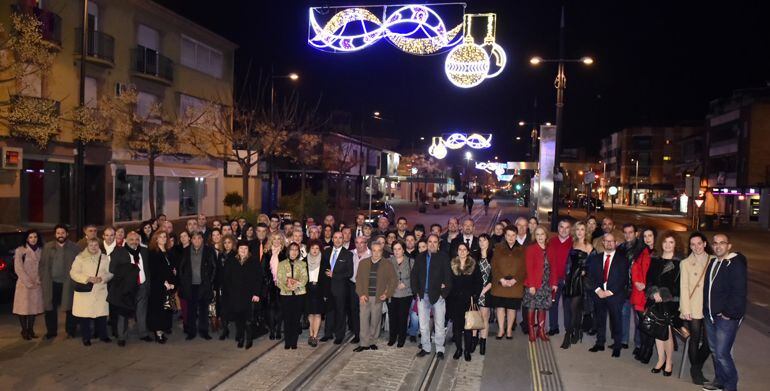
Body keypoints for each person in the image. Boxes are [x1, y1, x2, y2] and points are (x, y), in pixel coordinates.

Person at [702, 233, 746, 391]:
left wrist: (728, 313)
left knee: (722, 353)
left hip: (726, 318)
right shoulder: (713, 262)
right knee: (715, 351)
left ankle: (730, 386)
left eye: (722, 243)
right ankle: (719, 381)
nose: (718, 246)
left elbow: (739, 292)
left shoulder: (735, 264)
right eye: (715, 243)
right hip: (711, 315)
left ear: (729, 246)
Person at [646, 231, 682, 376]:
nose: (667, 245)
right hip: (655, 301)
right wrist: (653, 292)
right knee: (657, 331)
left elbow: (679, 285)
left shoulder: (679, 262)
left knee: (667, 333)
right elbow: (649, 279)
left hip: (670, 302)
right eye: (665, 242)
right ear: (661, 243)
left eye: (671, 242)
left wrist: (664, 294)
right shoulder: (655, 259)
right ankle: (660, 359)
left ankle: (669, 361)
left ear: (676, 244)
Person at [588, 233, 629, 357]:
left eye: (612, 241)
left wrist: (609, 292)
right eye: (607, 241)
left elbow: (623, 279)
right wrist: (598, 290)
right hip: (599, 294)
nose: (609, 243)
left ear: (616, 243)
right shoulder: (596, 259)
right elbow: (590, 277)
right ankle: (600, 343)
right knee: (600, 320)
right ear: (603, 243)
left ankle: (617, 346)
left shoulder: (623, 260)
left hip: (615, 295)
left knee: (616, 321)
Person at [679, 232, 712, 385]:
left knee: (709, 342)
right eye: (693, 244)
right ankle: (696, 371)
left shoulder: (714, 260)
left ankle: (695, 366)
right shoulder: (685, 263)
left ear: (705, 244)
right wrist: (685, 309)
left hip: (711, 307)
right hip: (693, 306)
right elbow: (684, 287)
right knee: (694, 339)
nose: (696, 247)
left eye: (699, 243)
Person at [412, 234, 452, 359]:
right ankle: (426, 347)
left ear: (438, 244)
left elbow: (448, 277)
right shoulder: (420, 257)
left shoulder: (443, 257)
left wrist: (443, 295)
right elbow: (414, 276)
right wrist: (416, 293)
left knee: (439, 325)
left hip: (438, 297)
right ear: (427, 243)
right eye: (430, 242)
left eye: (435, 242)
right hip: (423, 296)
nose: (432, 244)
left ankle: (440, 349)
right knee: (423, 325)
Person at [108, 231, 151, 346]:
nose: (134, 242)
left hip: (142, 286)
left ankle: (143, 333)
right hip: (126, 288)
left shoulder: (144, 251)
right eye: (131, 239)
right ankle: (122, 337)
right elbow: (112, 269)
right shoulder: (118, 252)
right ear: (126, 240)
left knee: (141, 312)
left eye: (137, 239)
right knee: (123, 313)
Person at [354, 242, 397, 352]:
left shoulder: (387, 264)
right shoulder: (363, 263)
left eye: (379, 250)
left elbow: (393, 280)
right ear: (371, 251)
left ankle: (373, 341)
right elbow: (358, 279)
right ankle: (364, 343)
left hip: (378, 297)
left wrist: (387, 294)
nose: (376, 253)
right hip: (365, 296)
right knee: (363, 320)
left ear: (382, 252)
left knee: (375, 320)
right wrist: (361, 294)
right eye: (374, 250)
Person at [70, 238, 113, 346]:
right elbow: (73, 273)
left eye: (96, 245)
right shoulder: (80, 258)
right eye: (91, 245)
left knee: (101, 315)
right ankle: (86, 337)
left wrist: (102, 278)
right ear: (87, 246)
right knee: (85, 316)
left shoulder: (104, 258)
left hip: (100, 290)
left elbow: (110, 272)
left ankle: (103, 335)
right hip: (86, 291)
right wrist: (87, 278)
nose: (94, 247)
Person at [40, 225, 80, 339]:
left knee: (70, 307)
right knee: (50, 307)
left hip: (69, 282)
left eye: (63, 233)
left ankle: (70, 330)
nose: (60, 235)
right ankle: (51, 331)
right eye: (58, 233)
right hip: (51, 282)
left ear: (67, 234)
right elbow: (42, 265)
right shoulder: (47, 247)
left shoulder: (75, 248)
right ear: (55, 235)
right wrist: (42, 278)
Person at [223, 241, 263, 349]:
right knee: (238, 319)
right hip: (235, 295)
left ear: (248, 250)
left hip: (249, 295)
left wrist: (256, 293)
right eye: (241, 249)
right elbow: (226, 278)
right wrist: (229, 292)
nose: (243, 251)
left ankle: (249, 339)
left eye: (245, 249)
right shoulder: (231, 261)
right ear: (237, 249)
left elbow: (259, 279)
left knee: (248, 319)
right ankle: (240, 338)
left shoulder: (254, 261)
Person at [561, 221, 593, 349]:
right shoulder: (573, 243)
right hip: (570, 279)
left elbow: (594, 265)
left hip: (580, 280)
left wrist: (586, 271)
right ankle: (577, 330)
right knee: (569, 309)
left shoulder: (589, 246)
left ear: (586, 232)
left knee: (574, 309)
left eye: (582, 229)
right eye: (578, 229)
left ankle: (568, 334)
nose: (580, 232)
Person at [447, 242, 482, 361]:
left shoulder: (473, 265)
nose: (462, 251)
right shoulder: (452, 264)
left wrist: (474, 295)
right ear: (457, 251)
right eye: (460, 249)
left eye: (464, 249)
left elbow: (479, 282)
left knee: (468, 328)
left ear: (468, 252)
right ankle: (458, 349)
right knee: (456, 328)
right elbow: (448, 282)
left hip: (468, 301)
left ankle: (467, 351)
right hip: (454, 301)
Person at [178, 232, 216, 340]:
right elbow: (181, 268)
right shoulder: (185, 251)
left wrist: (209, 281)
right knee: (191, 310)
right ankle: (191, 332)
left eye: (199, 238)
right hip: (191, 286)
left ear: (202, 239)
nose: (197, 241)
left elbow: (214, 267)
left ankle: (204, 331)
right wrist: (183, 281)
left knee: (204, 310)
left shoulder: (209, 251)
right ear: (191, 240)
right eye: (194, 238)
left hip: (204, 285)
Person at [491, 226, 526, 340]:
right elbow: (494, 266)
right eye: (508, 235)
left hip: (515, 285)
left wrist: (515, 279)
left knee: (511, 308)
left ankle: (509, 329)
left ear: (516, 236)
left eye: (513, 235)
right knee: (500, 307)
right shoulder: (498, 248)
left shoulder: (522, 249)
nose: (511, 237)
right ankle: (501, 329)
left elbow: (524, 268)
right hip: (500, 284)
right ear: (505, 236)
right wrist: (501, 279)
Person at [523, 226, 556, 342]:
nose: (540, 237)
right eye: (537, 234)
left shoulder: (550, 249)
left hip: (546, 285)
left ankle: (541, 331)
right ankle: (531, 331)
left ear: (546, 235)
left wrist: (554, 283)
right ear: (534, 236)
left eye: (542, 234)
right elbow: (528, 268)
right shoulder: (530, 249)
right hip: (534, 284)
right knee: (531, 308)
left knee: (542, 308)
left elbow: (554, 268)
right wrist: (531, 285)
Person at [321, 231, 354, 344]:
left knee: (340, 312)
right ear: (332, 239)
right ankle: (327, 334)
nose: (338, 240)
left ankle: (339, 335)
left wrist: (334, 275)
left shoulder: (348, 254)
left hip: (341, 288)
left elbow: (350, 273)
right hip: (328, 288)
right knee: (329, 312)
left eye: (340, 237)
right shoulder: (326, 252)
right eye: (335, 237)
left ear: (343, 239)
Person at [618, 223, 646, 351]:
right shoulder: (621, 248)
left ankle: (639, 344)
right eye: (626, 232)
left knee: (638, 318)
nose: (628, 235)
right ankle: (623, 340)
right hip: (624, 288)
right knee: (623, 314)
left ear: (636, 233)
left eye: (630, 232)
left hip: (637, 288)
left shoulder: (641, 248)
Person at [146, 231, 177, 344]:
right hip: (158, 285)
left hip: (169, 285)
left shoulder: (169, 252)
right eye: (160, 237)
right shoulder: (153, 253)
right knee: (157, 309)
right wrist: (164, 282)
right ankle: (158, 333)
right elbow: (154, 270)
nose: (163, 239)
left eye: (165, 237)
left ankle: (165, 327)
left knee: (167, 308)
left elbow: (173, 268)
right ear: (156, 239)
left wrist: (173, 281)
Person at [13, 230, 44, 340]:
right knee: (23, 308)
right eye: (30, 237)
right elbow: (18, 268)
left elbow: (43, 267)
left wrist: (39, 279)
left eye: (35, 236)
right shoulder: (20, 251)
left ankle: (31, 329)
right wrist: (28, 282)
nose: (33, 239)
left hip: (37, 283)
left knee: (33, 308)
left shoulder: (41, 250)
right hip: (24, 284)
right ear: (27, 238)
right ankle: (24, 330)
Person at [277, 242, 308, 350]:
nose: (294, 252)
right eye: (292, 249)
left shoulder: (302, 264)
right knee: (287, 318)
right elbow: (279, 280)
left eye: (296, 250)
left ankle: (294, 341)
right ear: (288, 251)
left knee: (296, 319)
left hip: (299, 295)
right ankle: (287, 341)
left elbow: (305, 279)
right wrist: (287, 287)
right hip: (286, 295)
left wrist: (295, 285)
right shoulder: (281, 264)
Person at [631, 227, 654, 362]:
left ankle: (648, 350)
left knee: (649, 324)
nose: (647, 238)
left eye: (650, 235)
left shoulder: (657, 252)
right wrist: (637, 281)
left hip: (650, 293)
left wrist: (648, 286)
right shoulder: (641, 251)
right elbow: (634, 268)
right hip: (639, 292)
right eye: (645, 236)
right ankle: (644, 347)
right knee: (643, 324)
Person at [546, 219, 573, 336]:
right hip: (554, 279)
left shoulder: (574, 242)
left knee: (568, 306)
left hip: (568, 280)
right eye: (562, 227)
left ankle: (569, 329)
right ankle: (553, 327)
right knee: (553, 304)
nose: (564, 230)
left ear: (570, 230)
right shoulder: (551, 242)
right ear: (558, 228)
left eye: (567, 227)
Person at [388, 241, 413, 348]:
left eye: (399, 249)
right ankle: (392, 337)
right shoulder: (388, 261)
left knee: (403, 317)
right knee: (392, 317)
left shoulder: (411, 261)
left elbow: (415, 278)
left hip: (406, 293)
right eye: (395, 249)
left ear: (403, 250)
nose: (397, 251)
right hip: (392, 293)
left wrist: (406, 284)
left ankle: (401, 339)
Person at [262, 232, 285, 340]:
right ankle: (272, 330)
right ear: (271, 240)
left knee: (281, 308)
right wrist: (269, 280)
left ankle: (278, 329)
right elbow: (263, 269)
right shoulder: (267, 253)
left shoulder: (285, 252)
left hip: (282, 284)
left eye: (278, 239)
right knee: (270, 309)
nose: (276, 241)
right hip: (270, 285)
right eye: (274, 239)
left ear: (281, 240)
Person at [473, 234, 493, 354]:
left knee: (484, 316)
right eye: (480, 241)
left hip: (488, 290)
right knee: (475, 316)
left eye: (484, 241)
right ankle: (474, 340)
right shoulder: (474, 255)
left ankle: (483, 341)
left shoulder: (493, 256)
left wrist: (484, 290)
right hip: (475, 289)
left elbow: (494, 275)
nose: (481, 243)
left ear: (488, 242)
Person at [349, 235, 371, 344]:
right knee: (354, 311)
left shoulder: (371, 255)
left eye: (361, 242)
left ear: (366, 243)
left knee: (365, 311)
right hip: (353, 285)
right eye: (357, 242)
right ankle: (357, 334)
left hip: (365, 286)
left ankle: (366, 334)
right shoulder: (351, 253)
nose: (359, 245)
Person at [305, 241, 327, 347]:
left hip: (320, 289)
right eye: (312, 248)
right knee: (310, 313)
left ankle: (315, 335)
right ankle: (310, 334)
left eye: (317, 248)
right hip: (308, 289)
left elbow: (327, 279)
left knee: (318, 313)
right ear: (309, 249)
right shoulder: (304, 261)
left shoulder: (324, 261)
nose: (314, 250)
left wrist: (326, 293)